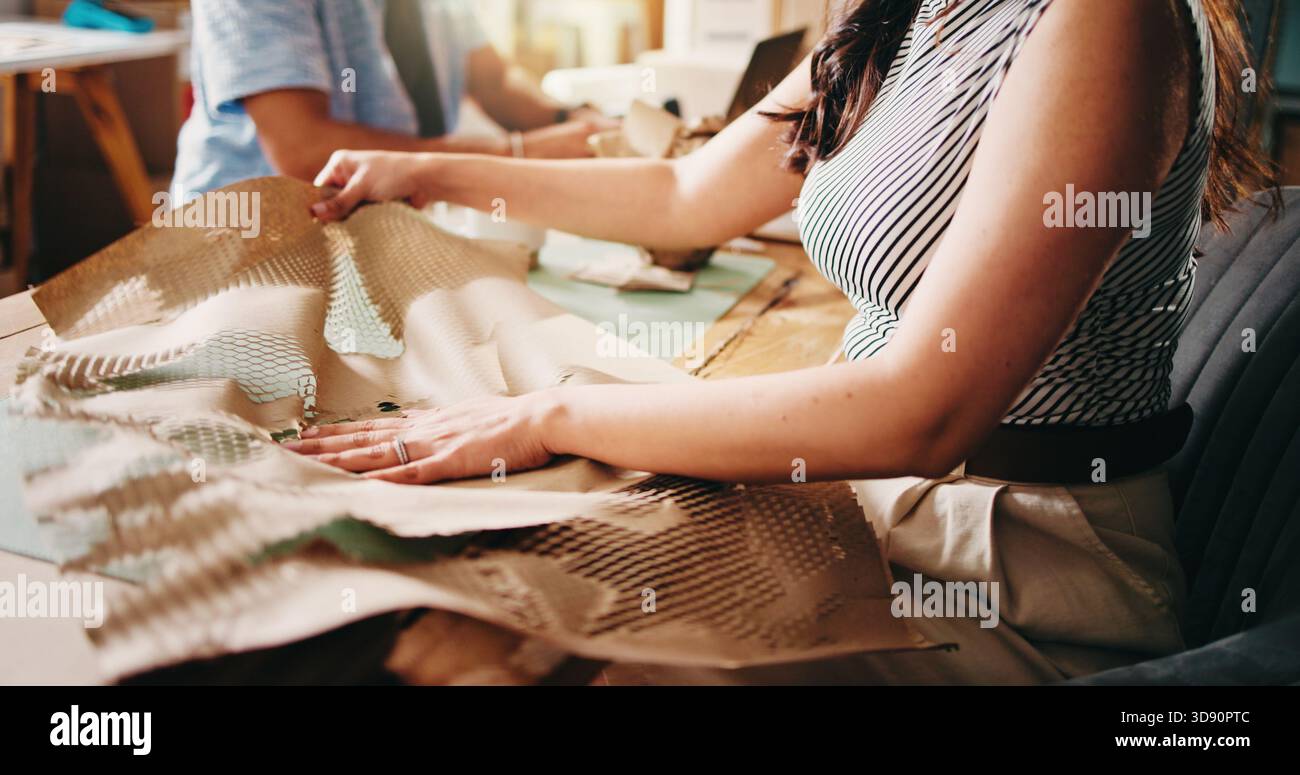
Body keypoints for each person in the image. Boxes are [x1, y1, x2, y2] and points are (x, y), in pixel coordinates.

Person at [284, 0, 1278, 683]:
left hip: (1013, 564)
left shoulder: (1106, 23)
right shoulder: (905, 13)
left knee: (544, 653)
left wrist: (550, 417)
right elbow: (687, 194)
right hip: (871, 501)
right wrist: (430, 175)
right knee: (465, 598)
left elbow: (924, 411)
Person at [171, 0, 612, 197]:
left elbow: (494, 82)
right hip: (249, 240)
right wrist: (516, 154)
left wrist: (572, 119)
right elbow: (305, 151)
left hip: (382, 217)